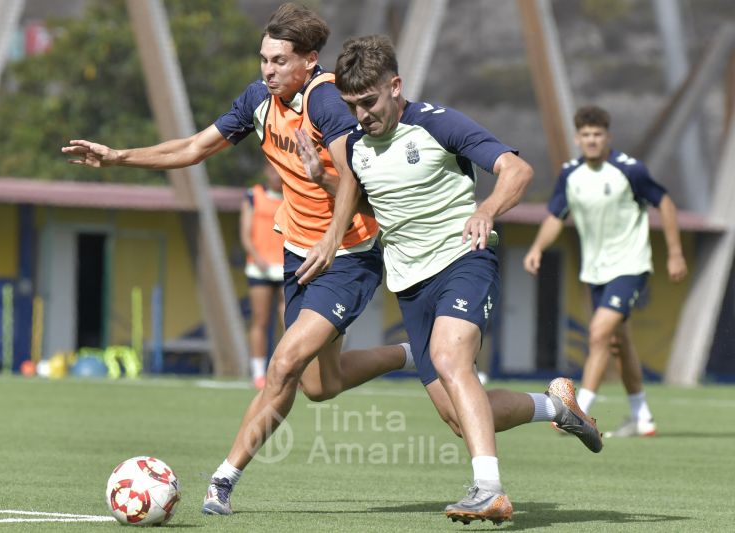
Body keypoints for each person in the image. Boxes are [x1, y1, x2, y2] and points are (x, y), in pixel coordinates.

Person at [63, 4, 599, 520]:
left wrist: (338, 234)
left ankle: (226, 479)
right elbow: (200, 149)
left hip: (364, 258)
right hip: (335, 259)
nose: (268, 70)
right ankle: (550, 404)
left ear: (309, 61)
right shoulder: (269, 103)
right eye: (264, 59)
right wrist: (119, 157)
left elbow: (361, 183)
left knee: (286, 363)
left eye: (279, 61)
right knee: (331, 387)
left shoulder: (336, 105)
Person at [294, 35, 602, 526]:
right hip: (410, 286)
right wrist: (324, 184)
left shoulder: (438, 123)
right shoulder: (356, 147)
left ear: (395, 86)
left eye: (369, 102)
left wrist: (486, 208)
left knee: (448, 356)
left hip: (464, 261)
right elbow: (373, 202)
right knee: (461, 417)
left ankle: (490, 491)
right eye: (352, 105)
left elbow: (517, 172)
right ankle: (556, 406)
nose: (362, 115)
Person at [523, 105, 688, 438]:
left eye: (598, 134)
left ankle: (575, 411)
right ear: (577, 138)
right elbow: (556, 216)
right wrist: (537, 248)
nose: (592, 140)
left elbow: (665, 203)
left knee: (598, 333)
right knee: (618, 343)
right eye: (586, 135)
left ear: (608, 137)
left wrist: (675, 253)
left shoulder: (629, 170)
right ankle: (641, 416)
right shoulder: (570, 174)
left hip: (630, 266)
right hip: (595, 272)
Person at [240, 163, 286, 389]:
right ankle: (258, 374)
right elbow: (245, 234)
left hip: (288, 267)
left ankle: (288, 370)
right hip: (260, 267)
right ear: (266, 171)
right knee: (260, 319)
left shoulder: (293, 195)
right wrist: (256, 256)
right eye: (272, 170)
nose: (276, 175)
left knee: (290, 321)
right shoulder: (253, 195)